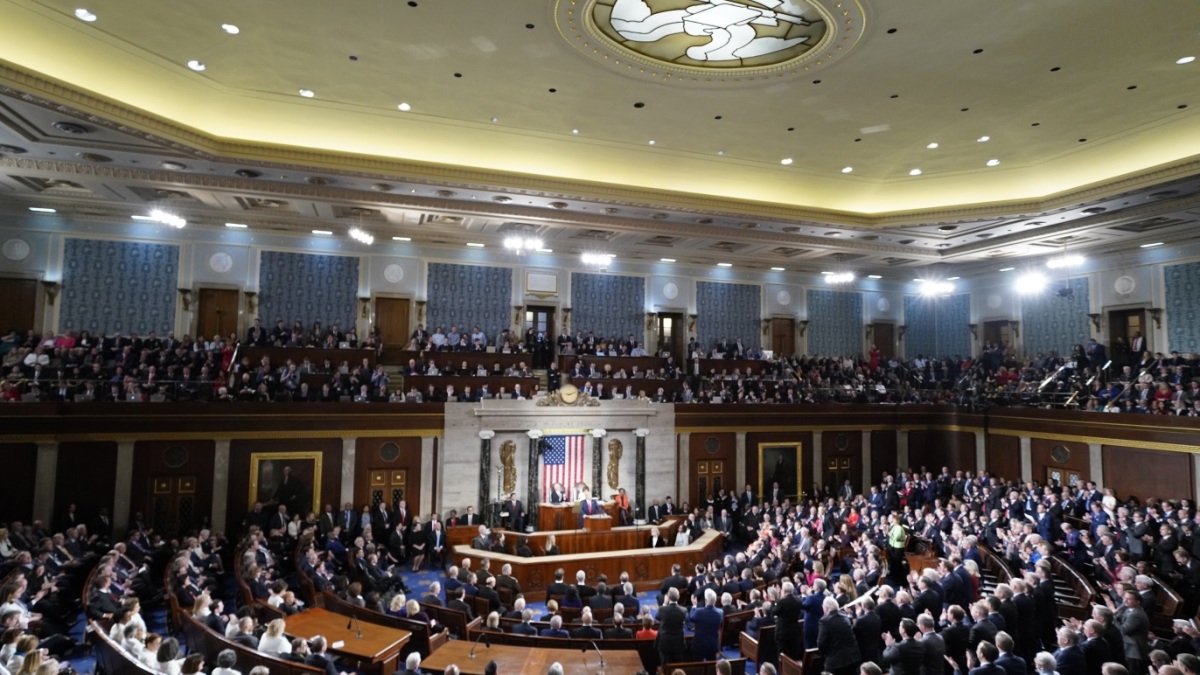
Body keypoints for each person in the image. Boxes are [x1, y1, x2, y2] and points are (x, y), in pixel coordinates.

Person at [818, 596, 862, 675]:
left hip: (836, 661)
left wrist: (826, 654)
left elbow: (821, 643)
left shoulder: (824, 621)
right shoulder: (844, 615)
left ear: (826, 608)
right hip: (852, 657)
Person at [689, 588, 724, 661]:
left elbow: (691, 618)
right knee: (712, 665)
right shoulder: (720, 613)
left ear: (705, 601)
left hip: (699, 645)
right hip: (713, 645)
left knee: (697, 664)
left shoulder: (699, 612)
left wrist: (694, 606)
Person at [656, 587, 687, 666]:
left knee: (664, 664)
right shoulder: (684, 610)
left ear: (668, 598)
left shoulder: (662, 609)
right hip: (678, 643)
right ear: (678, 597)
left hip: (665, 642)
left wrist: (664, 604)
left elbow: (657, 617)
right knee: (678, 664)